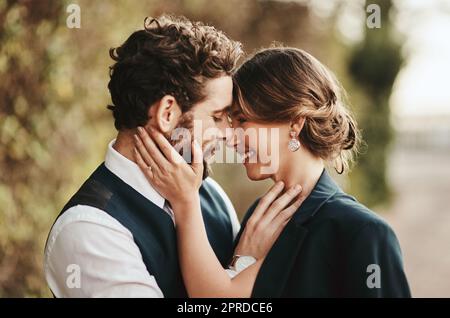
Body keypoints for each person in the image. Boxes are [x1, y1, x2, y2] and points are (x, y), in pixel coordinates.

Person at [44, 16, 299, 298]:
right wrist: (243, 264)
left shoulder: (212, 196)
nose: (229, 133)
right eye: (216, 117)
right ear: (167, 113)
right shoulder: (89, 230)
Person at [133, 47, 411, 297]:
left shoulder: (362, 233)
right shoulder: (259, 216)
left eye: (241, 120)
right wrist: (240, 262)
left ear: (295, 123)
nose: (230, 136)